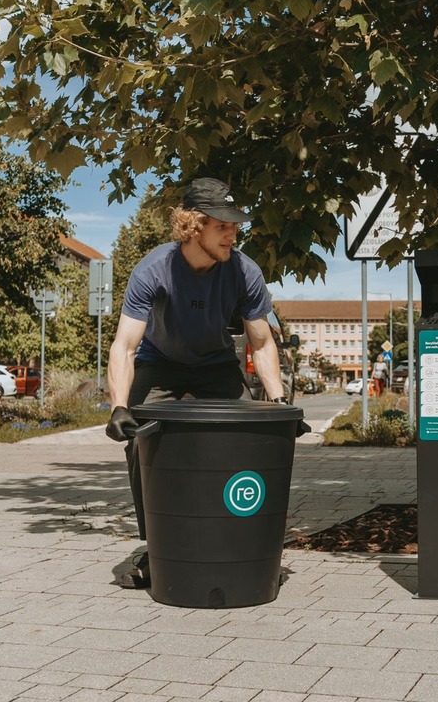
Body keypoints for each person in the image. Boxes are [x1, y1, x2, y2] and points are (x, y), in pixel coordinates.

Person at [103, 177, 287, 588]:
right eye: (222, 225)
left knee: (247, 438)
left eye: (234, 225)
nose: (232, 233)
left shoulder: (243, 271)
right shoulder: (154, 270)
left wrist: (276, 402)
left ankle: (238, 535)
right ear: (193, 225)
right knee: (142, 438)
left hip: (215, 363)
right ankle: (158, 545)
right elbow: (125, 346)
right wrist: (119, 406)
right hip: (160, 362)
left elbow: (261, 343)